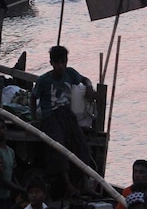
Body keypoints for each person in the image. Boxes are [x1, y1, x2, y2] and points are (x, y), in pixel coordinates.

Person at [30, 45, 97, 197]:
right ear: (51, 63)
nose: (60, 66)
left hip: (67, 115)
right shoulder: (44, 80)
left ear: (66, 62)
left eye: (62, 62)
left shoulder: (70, 73)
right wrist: (34, 119)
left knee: (82, 146)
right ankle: (68, 184)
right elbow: (34, 98)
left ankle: (85, 183)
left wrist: (89, 86)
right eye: (56, 62)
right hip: (51, 117)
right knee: (59, 148)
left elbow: (84, 79)